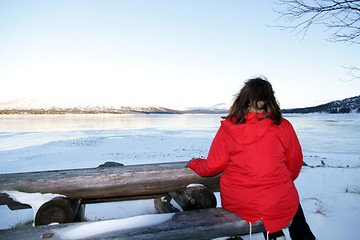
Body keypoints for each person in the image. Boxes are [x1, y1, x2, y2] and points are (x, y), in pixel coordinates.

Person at [188, 77, 316, 240]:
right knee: (284, 201)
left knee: (268, 203)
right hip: (278, 199)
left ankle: (275, 235)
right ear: (270, 99)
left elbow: (213, 166)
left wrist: (194, 163)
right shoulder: (283, 126)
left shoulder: (229, 128)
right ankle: (293, 236)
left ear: (242, 99)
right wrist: (279, 181)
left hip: (240, 203)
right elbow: (295, 163)